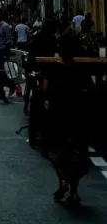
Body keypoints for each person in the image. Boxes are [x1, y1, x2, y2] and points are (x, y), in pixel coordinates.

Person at [44, 29, 91, 203]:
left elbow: (46, 88)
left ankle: (62, 181)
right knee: (78, 151)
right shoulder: (81, 68)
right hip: (77, 112)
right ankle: (74, 191)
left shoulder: (53, 68)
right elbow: (89, 87)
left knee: (57, 149)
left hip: (58, 112)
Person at [0, 10, 15, 103]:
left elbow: (9, 41)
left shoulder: (5, 26)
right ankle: (1, 92)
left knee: (1, 72)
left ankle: (11, 84)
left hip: (3, 51)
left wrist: (6, 53)